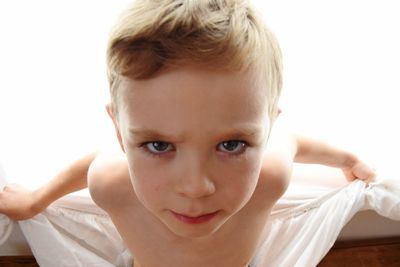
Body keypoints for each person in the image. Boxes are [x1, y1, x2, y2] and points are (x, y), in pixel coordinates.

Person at [0, 0, 376, 266]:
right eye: (158, 145)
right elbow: (93, 165)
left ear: (267, 128)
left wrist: (349, 159)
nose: (196, 187)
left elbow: (294, 143)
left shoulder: (271, 175)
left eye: (231, 144)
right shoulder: (111, 183)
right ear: (119, 131)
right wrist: (35, 200)